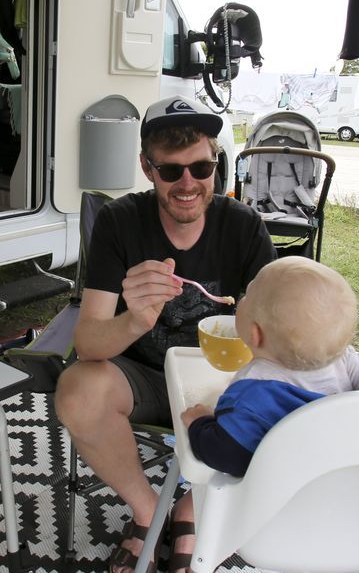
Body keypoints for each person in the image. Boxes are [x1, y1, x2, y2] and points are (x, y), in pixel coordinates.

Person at [54, 95, 277, 573]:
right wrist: (135, 318)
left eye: (201, 167)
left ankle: (191, 507)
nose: (188, 184)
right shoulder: (120, 223)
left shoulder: (243, 226)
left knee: (279, 393)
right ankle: (148, 510)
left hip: (221, 383)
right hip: (146, 377)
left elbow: (278, 335)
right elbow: (89, 343)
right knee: (77, 390)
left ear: (216, 163)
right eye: (170, 171)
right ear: (146, 168)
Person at [181, 256, 359, 478]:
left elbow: (227, 456)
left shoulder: (253, 395)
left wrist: (200, 423)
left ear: (255, 334)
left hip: (281, 510)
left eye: (247, 295)